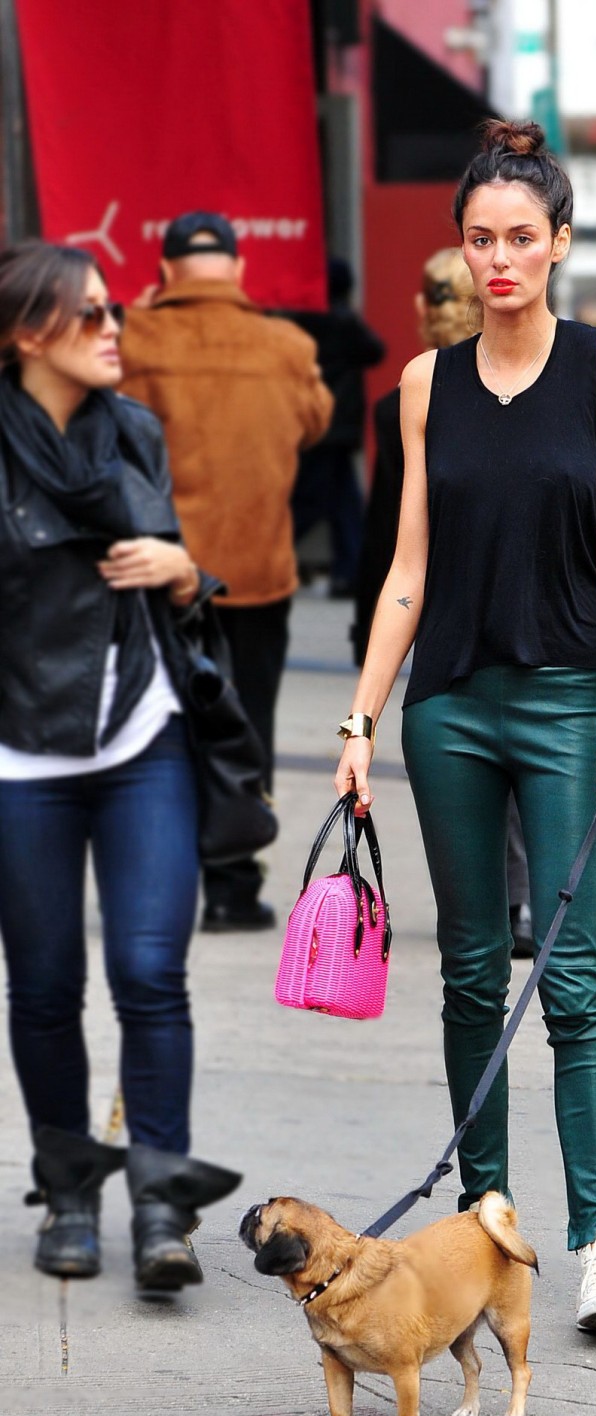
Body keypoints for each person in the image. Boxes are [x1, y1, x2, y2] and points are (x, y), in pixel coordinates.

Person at [335, 119, 596, 1334]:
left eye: (523, 239)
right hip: (451, 705)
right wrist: (362, 715)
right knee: (472, 974)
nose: (500, 261)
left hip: (573, 698)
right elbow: (407, 566)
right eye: (481, 241)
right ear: (460, 251)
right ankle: (489, 1224)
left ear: (560, 244)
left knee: (572, 979)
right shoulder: (426, 384)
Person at [0, 241, 240, 1290]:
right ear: (25, 336)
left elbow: (179, 577)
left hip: (140, 736)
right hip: (19, 751)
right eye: (89, 315)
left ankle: (158, 1204)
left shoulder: (133, 430)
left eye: (114, 313)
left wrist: (186, 571)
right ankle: (67, 1192)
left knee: (150, 974)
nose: (113, 329)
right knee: (46, 987)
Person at [119, 211, 334, 932]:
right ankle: (235, 886)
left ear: (165, 271)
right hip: (258, 572)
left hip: (159, 575)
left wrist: (141, 314)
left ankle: (167, 877)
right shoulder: (288, 344)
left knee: (162, 727)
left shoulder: (133, 336)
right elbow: (315, 423)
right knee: (248, 726)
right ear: (239, 271)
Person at [353, 247, 531, 961]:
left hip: (443, 619)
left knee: (477, 769)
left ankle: (494, 901)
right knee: (510, 772)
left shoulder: (401, 402)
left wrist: (367, 631)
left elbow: (384, 537)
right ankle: (509, 901)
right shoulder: (415, 398)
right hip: (516, 611)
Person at [282, 257, 386, 597]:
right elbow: (375, 351)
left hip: (311, 420)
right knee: (323, 501)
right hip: (340, 425)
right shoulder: (343, 320)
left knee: (333, 499)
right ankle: (341, 570)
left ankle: (348, 571)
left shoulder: (302, 319)